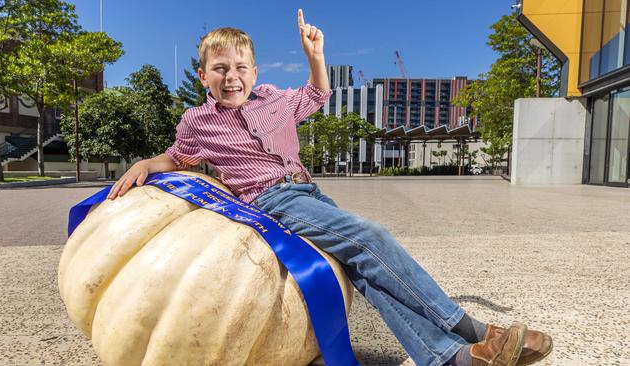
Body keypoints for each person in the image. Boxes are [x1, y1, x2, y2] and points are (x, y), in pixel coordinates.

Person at [107, 9, 552, 366]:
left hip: (308, 192)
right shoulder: (197, 120)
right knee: (371, 237)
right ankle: (472, 330)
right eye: (219, 69)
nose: (231, 77)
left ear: (254, 70)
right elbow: (178, 156)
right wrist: (147, 163)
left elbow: (318, 94)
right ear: (203, 75)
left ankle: (449, 356)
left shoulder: (274, 99)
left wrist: (315, 55)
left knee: (363, 270)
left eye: (240, 67)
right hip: (270, 199)